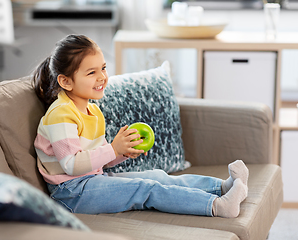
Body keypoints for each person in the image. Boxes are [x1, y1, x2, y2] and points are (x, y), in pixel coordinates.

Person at [32, 34, 249, 218]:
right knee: (147, 189)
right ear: (66, 81)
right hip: (71, 194)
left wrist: (122, 153)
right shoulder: (60, 114)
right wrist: (113, 148)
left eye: (103, 68)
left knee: (157, 176)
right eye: (91, 72)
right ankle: (216, 206)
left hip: (91, 181)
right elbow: (71, 165)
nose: (102, 77)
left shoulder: (93, 110)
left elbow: (98, 162)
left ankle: (222, 187)